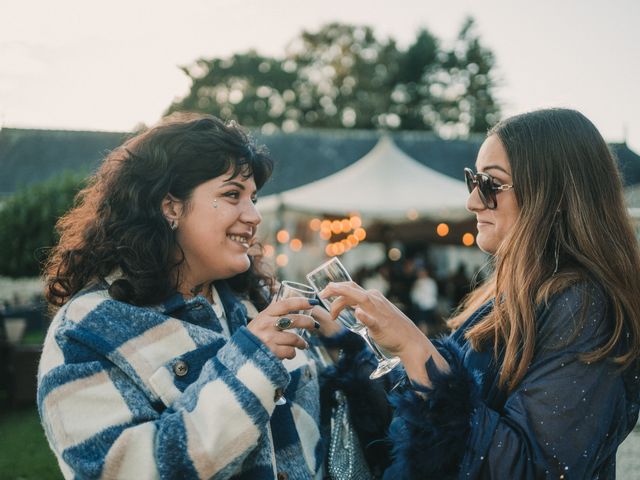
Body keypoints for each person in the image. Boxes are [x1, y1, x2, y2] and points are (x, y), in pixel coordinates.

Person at [321, 108, 640, 478]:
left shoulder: (584, 308)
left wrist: (416, 348)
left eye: (490, 184)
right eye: (473, 180)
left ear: (551, 194)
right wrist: (350, 343)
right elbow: (422, 435)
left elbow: (531, 469)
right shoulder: (504, 294)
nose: (473, 201)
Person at [37, 113, 347, 479]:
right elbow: (121, 470)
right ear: (170, 206)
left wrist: (349, 355)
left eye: (253, 198)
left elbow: (326, 440)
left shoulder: (255, 302)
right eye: (232, 194)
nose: (254, 216)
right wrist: (251, 364)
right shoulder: (85, 330)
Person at [410, 267, 438, 335]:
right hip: (419, 306)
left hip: (429, 305)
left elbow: (431, 294)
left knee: (426, 323)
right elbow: (414, 295)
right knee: (421, 323)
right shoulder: (417, 282)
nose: (420, 274)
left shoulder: (430, 282)